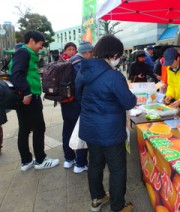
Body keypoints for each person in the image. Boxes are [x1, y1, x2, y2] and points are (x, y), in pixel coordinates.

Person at [75, 35, 136, 212]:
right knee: (117, 169)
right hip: (110, 131)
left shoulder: (83, 70)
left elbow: (79, 97)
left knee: (95, 164)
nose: (119, 59)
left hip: (90, 128)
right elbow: (128, 102)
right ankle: (117, 207)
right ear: (114, 54)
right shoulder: (113, 76)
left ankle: (97, 198)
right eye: (120, 55)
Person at [10, 30, 60, 171]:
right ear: (32, 40)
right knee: (39, 127)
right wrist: (27, 93)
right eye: (40, 44)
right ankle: (40, 160)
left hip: (25, 97)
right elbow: (17, 74)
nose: (41, 47)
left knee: (25, 128)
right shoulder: (24, 53)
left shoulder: (26, 53)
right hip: (29, 97)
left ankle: (26, 161)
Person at [61, 40, 93, 173]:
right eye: (92, 53)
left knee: (67, 130)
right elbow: (83, 85)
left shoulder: (68, 62)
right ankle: (80, 163)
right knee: (80, 132)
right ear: (87, 52)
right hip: (76, 103)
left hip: (65, 102)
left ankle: (69, 159)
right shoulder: (81, 63)